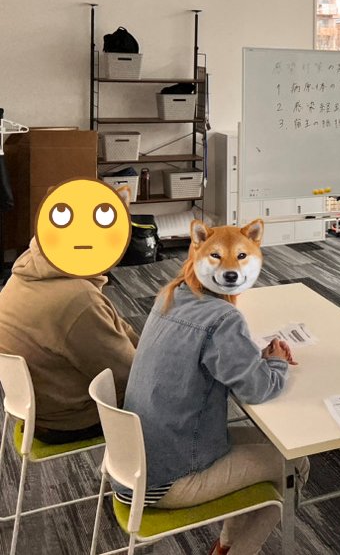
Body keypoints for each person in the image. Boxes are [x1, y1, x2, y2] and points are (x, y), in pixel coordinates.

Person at [119, 265, 308, 555]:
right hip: (169, 478)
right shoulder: (223, 317)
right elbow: (258, 390)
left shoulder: (171, 295)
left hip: (134, 464)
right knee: (295, 463)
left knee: (276, 444)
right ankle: (236, 550)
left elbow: (204, 362)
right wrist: (277, 362)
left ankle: (224, 547)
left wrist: (253, 359)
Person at [0, 237, 138, 445]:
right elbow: (128, 374)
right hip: (69, 420)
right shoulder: (79, 299)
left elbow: (111, 324)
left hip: (31, 407)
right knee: (169, 397)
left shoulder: (25, 273)